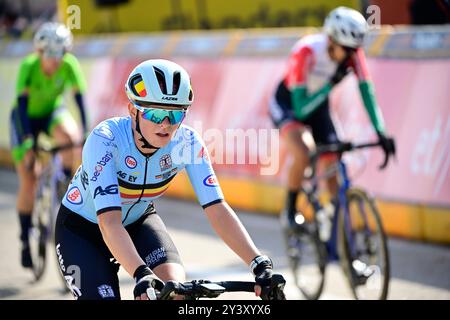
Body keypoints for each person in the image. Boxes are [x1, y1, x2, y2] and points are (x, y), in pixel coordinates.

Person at [55, 59, 284, 300]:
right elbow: (109, 223)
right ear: (133, 110)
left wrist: (258, 263)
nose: (165, 124)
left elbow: (217, 208)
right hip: (83, 231)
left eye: (175, 115)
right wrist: (141, 273)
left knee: (175, 292)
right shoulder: (105, 140)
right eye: (155, 114)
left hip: (138, 222)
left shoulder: (186, 143)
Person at [269, 7, 395, 241]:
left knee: (333, 160)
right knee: (303, 152)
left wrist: (381, 132)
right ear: (331, 39)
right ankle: (289, 210)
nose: (350, 56)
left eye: (354, 51)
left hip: (317, 103)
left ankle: (339, 229)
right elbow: (300, 109)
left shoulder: (353, 54)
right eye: (345, 50)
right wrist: (330, 85)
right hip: (289, 102)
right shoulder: (306, 52)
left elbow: (367, 91)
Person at [10, 22, 88, 269]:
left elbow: (79, 100)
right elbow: (21, 107)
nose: (55, 60)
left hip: (52, 113)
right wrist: (27, 142)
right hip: (25, 120)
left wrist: (84, 134)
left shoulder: (69, 65)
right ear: (40, 52)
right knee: (29, 178)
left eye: (60, 53)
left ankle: (65, 180)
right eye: (50, 54)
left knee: (71, 136)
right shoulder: (29, 66)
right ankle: (24, 239)